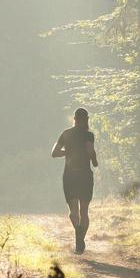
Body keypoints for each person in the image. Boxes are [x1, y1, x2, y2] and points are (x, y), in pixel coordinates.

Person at [52, 108, 98, 253]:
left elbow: (54, 153)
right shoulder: (88, 135)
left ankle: (78, 233)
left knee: (73, 210)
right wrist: (95, 162)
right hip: (84, 175)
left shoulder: (66, 134)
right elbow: (90, 150)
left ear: (74, 118)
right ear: (86, 119)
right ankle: (80, 239)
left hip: (70, 175)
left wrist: (68, 151)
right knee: (84, 211)